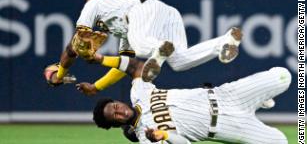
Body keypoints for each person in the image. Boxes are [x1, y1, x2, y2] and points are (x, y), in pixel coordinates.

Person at [51, 0, 242, 93]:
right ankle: (223, 42)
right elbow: (127, 65)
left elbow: (75, 44)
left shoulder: (95, 2)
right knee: (179, 62)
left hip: (143, 11)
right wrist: (96, 86)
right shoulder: (119, 17)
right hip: (164, 12)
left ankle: (159, 49)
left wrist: (59, 74)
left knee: (142, 48)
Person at [87, 56, 290, 144]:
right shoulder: (146, 136)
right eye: (114, 116)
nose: (119, 111)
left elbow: (136, 67)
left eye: (115, 106)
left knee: (283, 76)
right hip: (227, 126)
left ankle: (259, 99)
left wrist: (102, 59)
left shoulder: (139, 93)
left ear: (118, 102)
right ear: (116, 124)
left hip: (224, 95)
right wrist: (164, 137)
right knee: (281, 141)